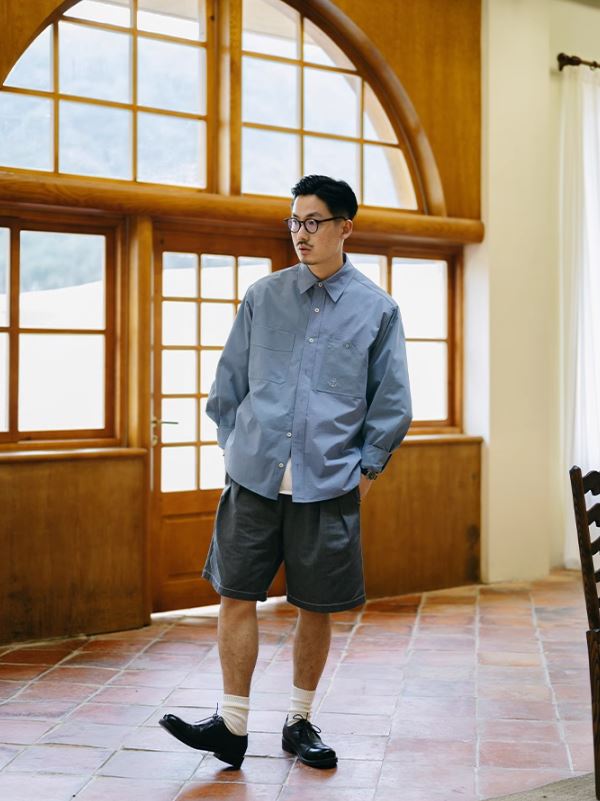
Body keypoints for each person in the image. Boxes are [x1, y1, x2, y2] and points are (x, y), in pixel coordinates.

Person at [159, 174, 412, 770]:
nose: (301, 233)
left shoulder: (378, 310)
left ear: (345, 227)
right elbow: (226, 389)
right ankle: (232, 724)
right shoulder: (263, 296)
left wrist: (365, 472)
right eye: (294, 221)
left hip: (328, 485)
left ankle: (299, 722)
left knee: (316, 605)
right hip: (253, 479)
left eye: (314, 222)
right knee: (235, 596)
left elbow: (392, 403)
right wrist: (237, 451)